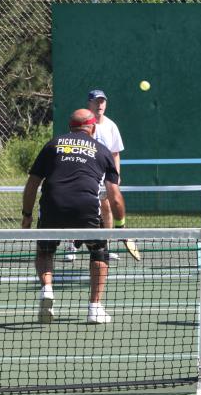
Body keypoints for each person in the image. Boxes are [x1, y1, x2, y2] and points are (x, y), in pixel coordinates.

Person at [22, 108, 126, 325]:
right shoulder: (103, 150)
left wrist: (27, 215)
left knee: (44, 251)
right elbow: (114, 196)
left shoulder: (52, 145)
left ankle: (47, 290)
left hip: (52, 206)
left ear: (70, 126)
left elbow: (32, 183)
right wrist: (121, 225)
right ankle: (95, 308)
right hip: (86, 207)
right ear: (93, 127)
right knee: (99, 253)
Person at [64, 89, 125, 262]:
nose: (100, 105)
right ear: (89, 104)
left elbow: (115, 154)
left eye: (102, 101)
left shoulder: (111, 126)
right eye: (96, 101)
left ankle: (105, 247)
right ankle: (71, 247)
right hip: (83, 176)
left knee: (106, 209)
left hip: (103, 177)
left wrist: (116, 175)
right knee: (78, 209)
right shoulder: (81, 124)